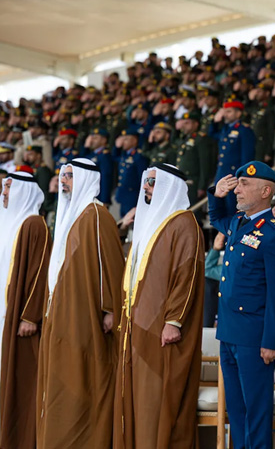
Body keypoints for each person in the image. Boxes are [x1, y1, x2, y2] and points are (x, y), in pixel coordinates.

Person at [114, 163, 205, 449]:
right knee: (136, 398)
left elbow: (187, 274)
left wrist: (173, 321)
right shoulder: (150, 223)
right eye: (146, 181)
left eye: (152, 182)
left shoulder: (184, 222)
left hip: (161, 332)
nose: (146, 187)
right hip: (136, 329)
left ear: (169, 186)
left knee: (154, 399)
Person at [36, 158, 125, 449]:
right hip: (61, 314)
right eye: (63, 175)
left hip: (85, 317)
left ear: (86, 179)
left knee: (80, 382)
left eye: (70, 176)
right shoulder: (73, 215)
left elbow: (111, 265)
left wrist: (110, 309)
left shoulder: (96, 215)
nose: (63, 181)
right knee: (59, 382)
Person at [209, 161, 275, 449]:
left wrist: (271, 340)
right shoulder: (237, 222)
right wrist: (217, 194)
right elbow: (215, 216)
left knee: (256, 412)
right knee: (236, 411)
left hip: (254, 337)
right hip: (229, 332)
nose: (237, 190)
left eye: (244, 184)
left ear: (266, 191)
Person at [0, 171, 51, 449]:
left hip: (19, 317)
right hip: (3, 312)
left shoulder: (33, 225)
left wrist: (30, 316)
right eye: (4, 187)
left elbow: (39, 273)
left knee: (19, 378)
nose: (4, 193)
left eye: (9, 187)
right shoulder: (6, 221)